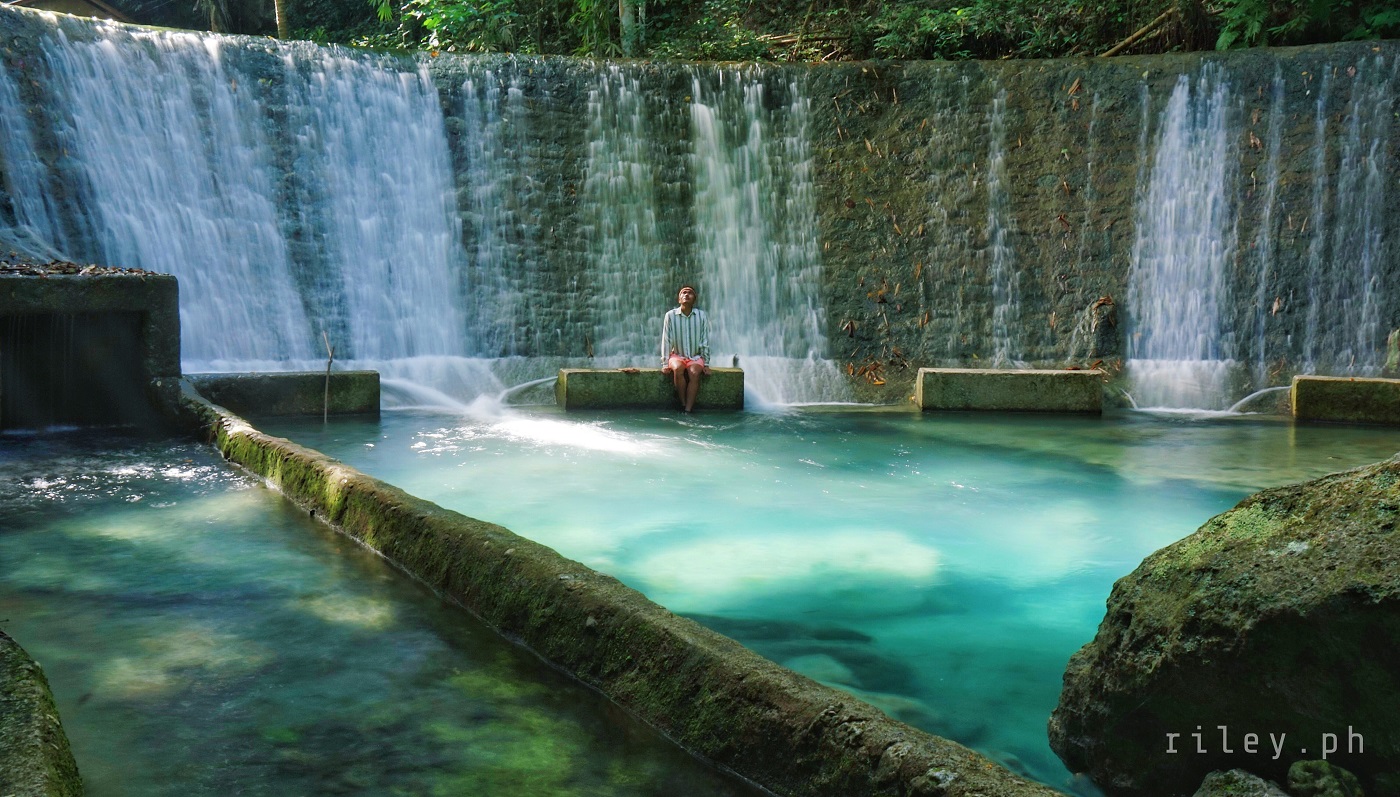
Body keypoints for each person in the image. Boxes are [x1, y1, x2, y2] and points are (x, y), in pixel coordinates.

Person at [660, 285, 710, 412]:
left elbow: (704, 340)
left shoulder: (701, 316)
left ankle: (688, 410)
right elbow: (666, 340)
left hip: (695, 356)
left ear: (694, 299)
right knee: (678, 368)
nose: (686, 295)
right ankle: (682, 403)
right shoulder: (670, 315)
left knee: (694, 373)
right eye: (683, 293)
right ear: (679, 299)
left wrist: (706, 363)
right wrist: (665, 363)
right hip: (677, 355)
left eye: (690, 293)